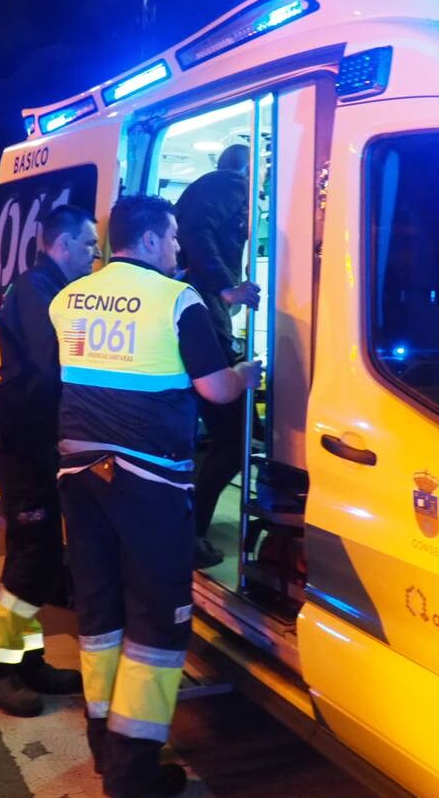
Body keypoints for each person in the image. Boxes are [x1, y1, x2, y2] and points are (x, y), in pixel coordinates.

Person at [51, 197, 262, 796]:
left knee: (99, 616)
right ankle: (133, 775)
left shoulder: (70, 298)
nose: (178, 250)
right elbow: (217, 389)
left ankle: (104, 749)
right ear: (147, 240)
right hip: (150, 484)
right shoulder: (177, 300)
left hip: (79, 476)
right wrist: (254, 369)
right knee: (156, 626)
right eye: (172, 239)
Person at [0, 204, 101, 717]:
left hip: (36, 438)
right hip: (22, 441)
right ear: (62, 243)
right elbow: (55, 363)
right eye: (89, 245)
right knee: (33, 556)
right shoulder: (34, 291)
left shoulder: (52, 290)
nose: (94, 256)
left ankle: (26, 661)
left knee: (39, 550)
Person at [173, 144, 261, 568]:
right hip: (209, 309)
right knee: (236, 434)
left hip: (211, 308)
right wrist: (227, 286)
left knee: (231, 434)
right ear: (245, 166)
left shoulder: (212, 187)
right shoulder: (229, 184)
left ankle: (189, 528)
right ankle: (190, 533)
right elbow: (196, 231)